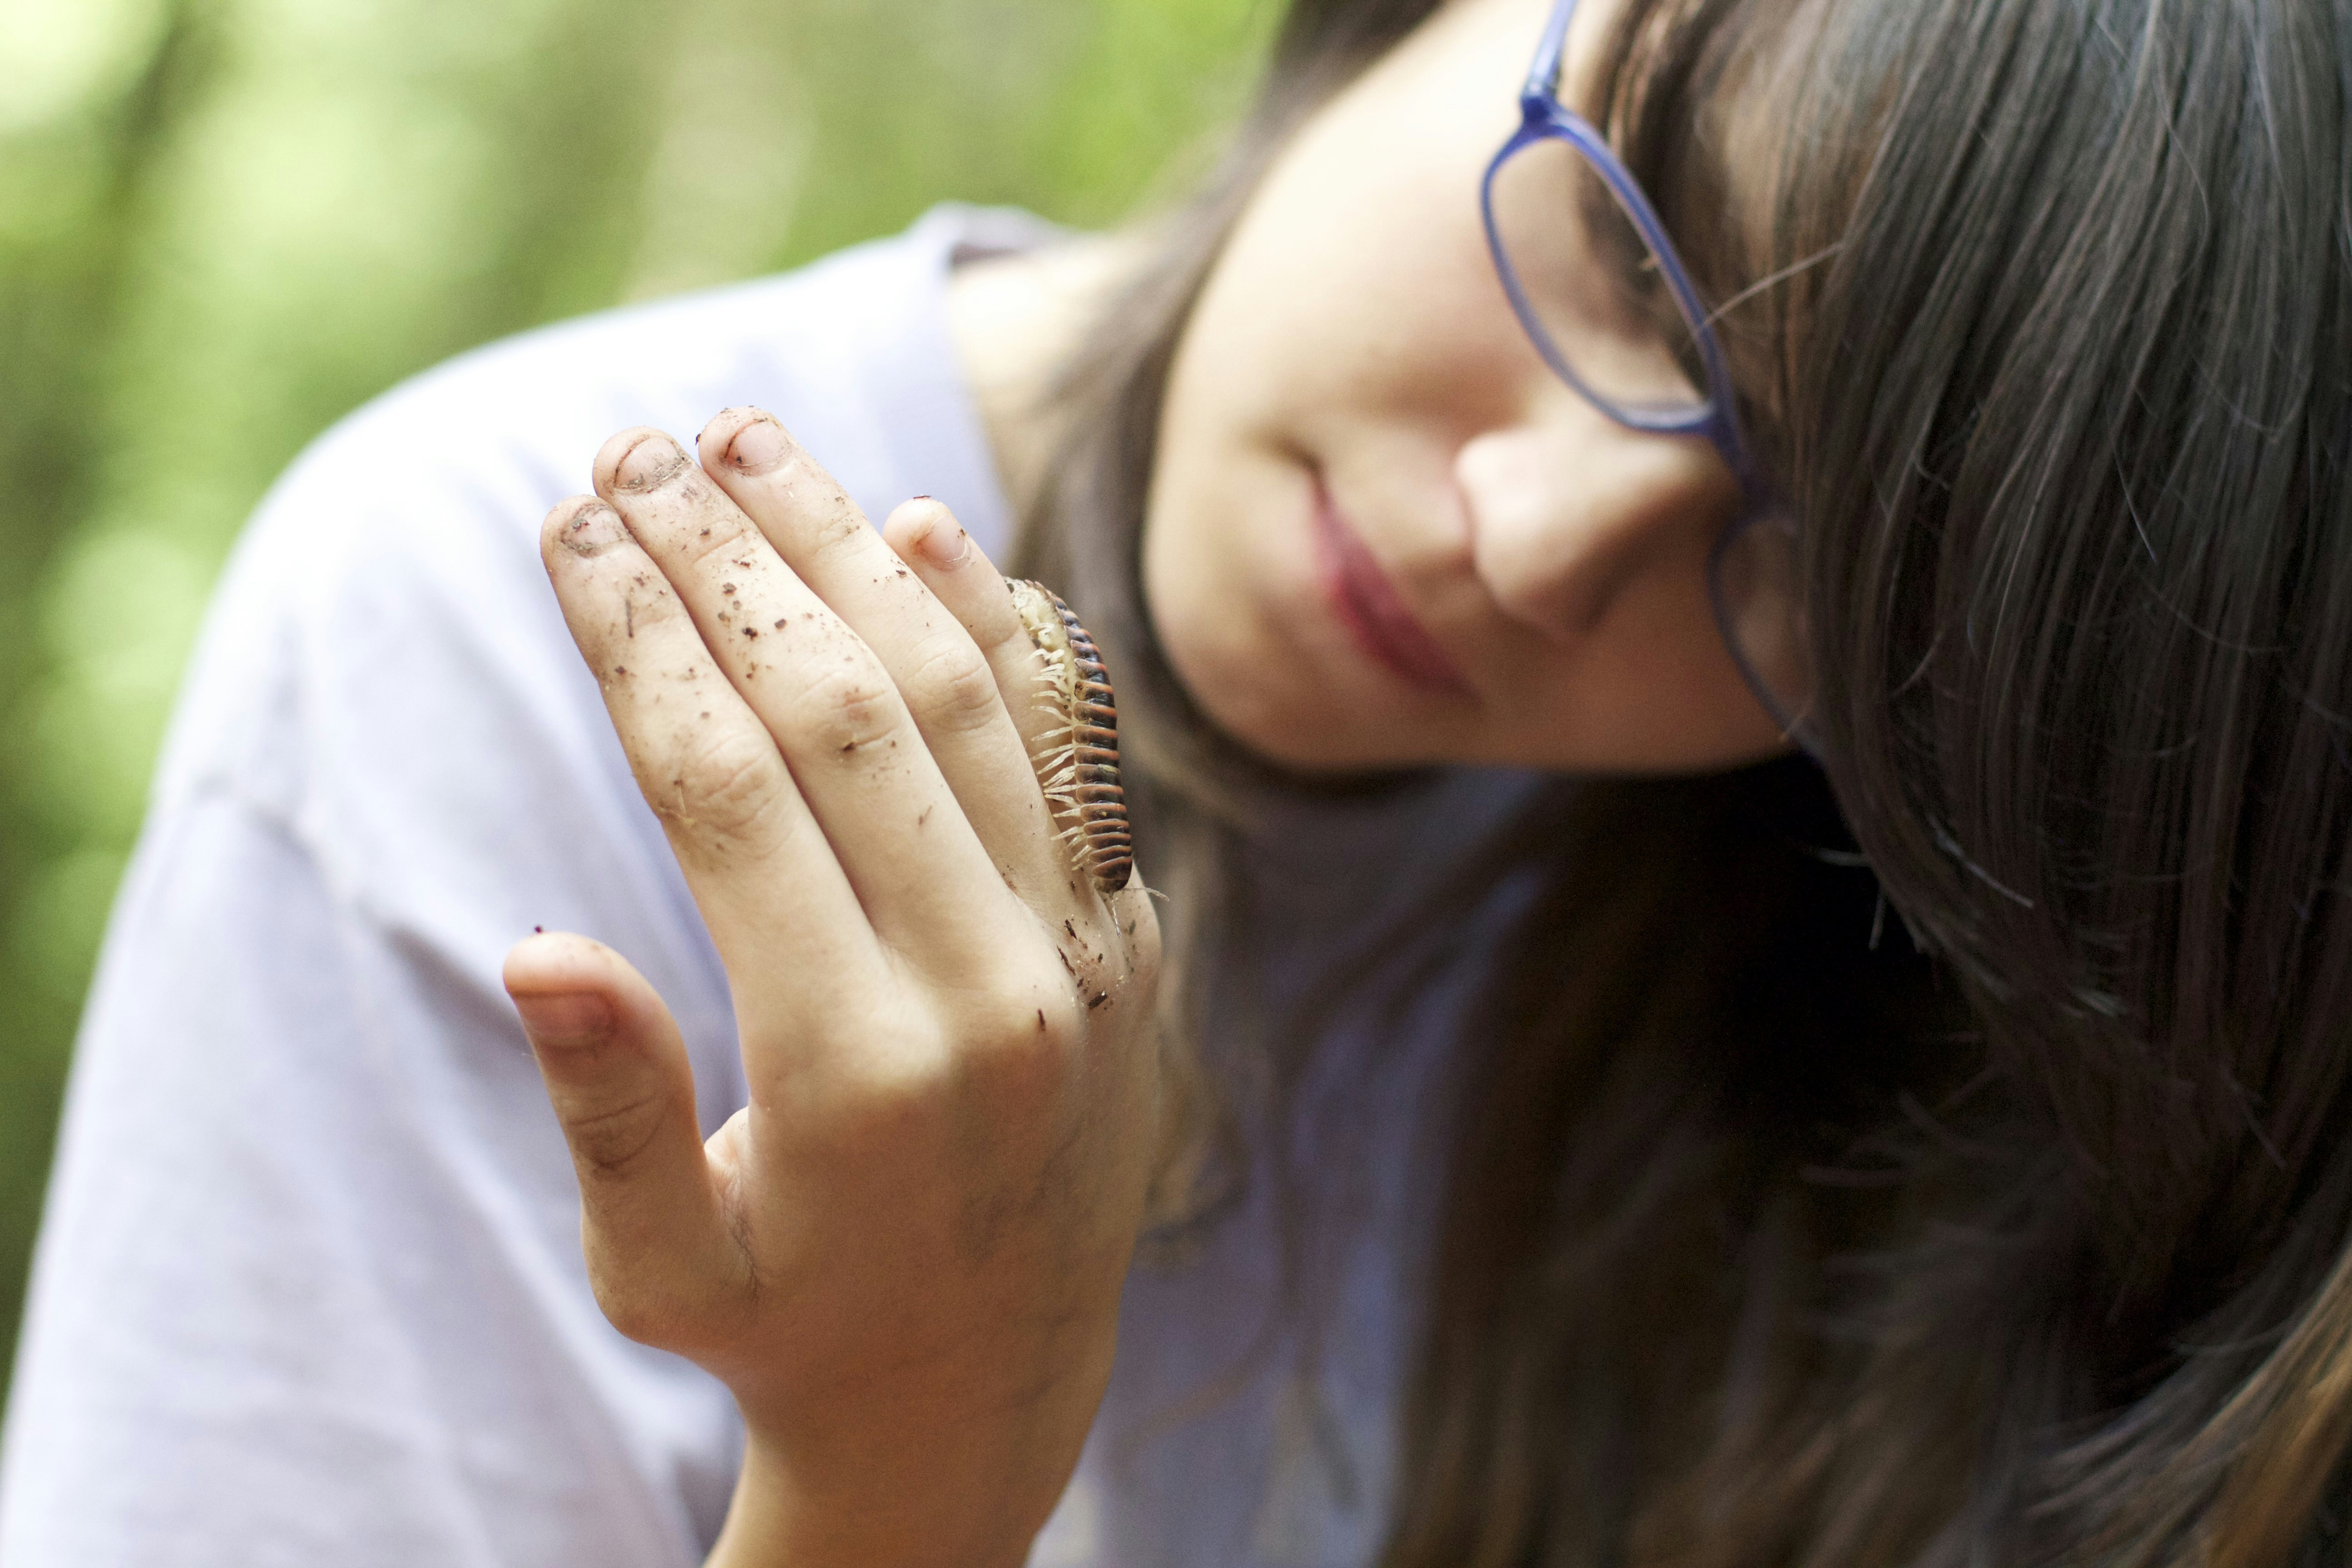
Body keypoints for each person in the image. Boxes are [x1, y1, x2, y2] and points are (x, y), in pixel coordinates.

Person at [6, 0, 2350, 1559]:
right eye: (1637, 256)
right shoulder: (496, 630)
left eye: (1811, 560)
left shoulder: (1822, 999)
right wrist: (900, 1451)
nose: (1539, 541)